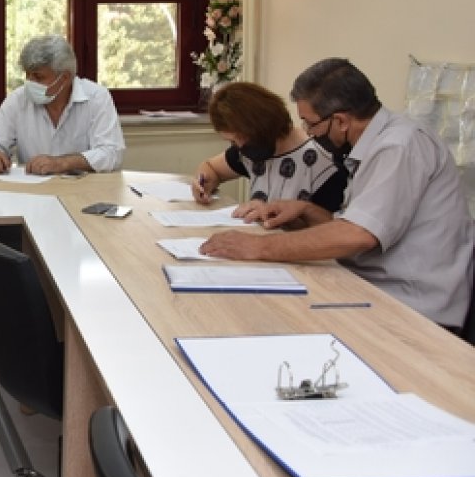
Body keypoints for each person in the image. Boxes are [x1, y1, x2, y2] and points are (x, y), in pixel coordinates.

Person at [202, 58, 474, 329]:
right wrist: (306, 211)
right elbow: (357, 225)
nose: (308, 133)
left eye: (310, 124)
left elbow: (358, 236)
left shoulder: (398, 146)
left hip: (410, 306)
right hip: (369, 286)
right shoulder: (374, 145)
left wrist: (258, 247)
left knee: (264, 322)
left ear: (340, 121)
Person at [0, 34, 125, 175]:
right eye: (27, 75)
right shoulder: (19, 99)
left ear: (65, 78)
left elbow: (111, 153)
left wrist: (63, 163)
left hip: (84, 189)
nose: (30, 82)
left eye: (38, 77)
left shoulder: (97, 97)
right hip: (32, 190)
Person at [191, 81, 346, 218]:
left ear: (261, 124)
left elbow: (331, 227)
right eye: (232, 141)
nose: (239, 146)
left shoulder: (322, 162)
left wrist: (269, 213)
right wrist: (203, 183)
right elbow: (211, 167)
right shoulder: (249, 150)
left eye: (241, 137)